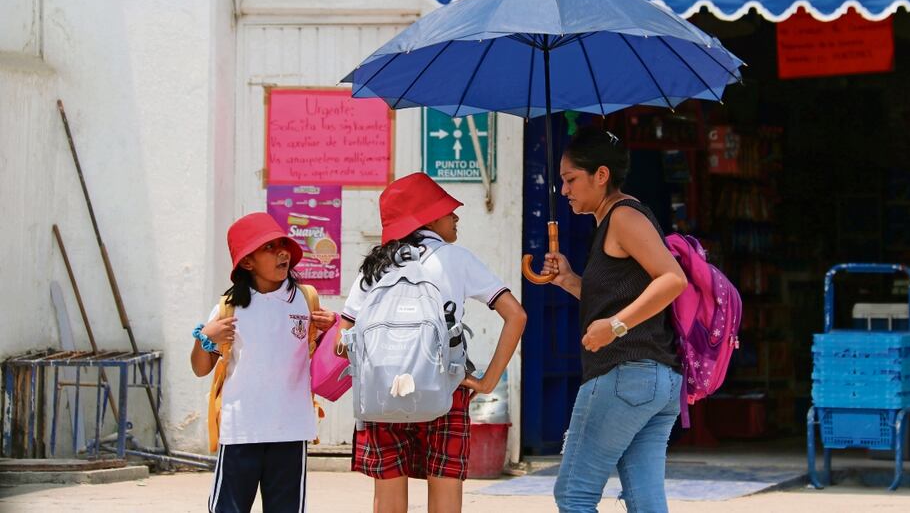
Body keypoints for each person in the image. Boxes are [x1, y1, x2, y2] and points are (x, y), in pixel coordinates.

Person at [337, 172, 527, 513]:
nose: (456, 216)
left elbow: (345, 333)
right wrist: (487, 381)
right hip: (446, 386)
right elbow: (517, 315)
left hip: (382, 392)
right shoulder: (457, 258)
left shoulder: (376, 265)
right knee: (445, 497)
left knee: (388, 501)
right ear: (424, 217)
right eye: (446, 210)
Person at [540, 127, 688, 513]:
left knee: (574, 494)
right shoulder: (612, 220)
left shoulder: (623, 216)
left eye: (571, 179)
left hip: (626, 374)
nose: (564, 190)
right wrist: (570, 281)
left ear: (601, 175)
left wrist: (617, 326)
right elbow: (616, 297)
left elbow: (673, 279)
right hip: (655, 382)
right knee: (645, 501)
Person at [191, 212, 336, 513]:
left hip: (291, 430)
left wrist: (333, 329)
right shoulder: (229, 308)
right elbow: (200, 368)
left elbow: (324, 355)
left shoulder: (305, 300)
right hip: (241, 429)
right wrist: (206, 336)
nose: (283, 252)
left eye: (284, 244)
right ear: (247, 262)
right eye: (269, 247)